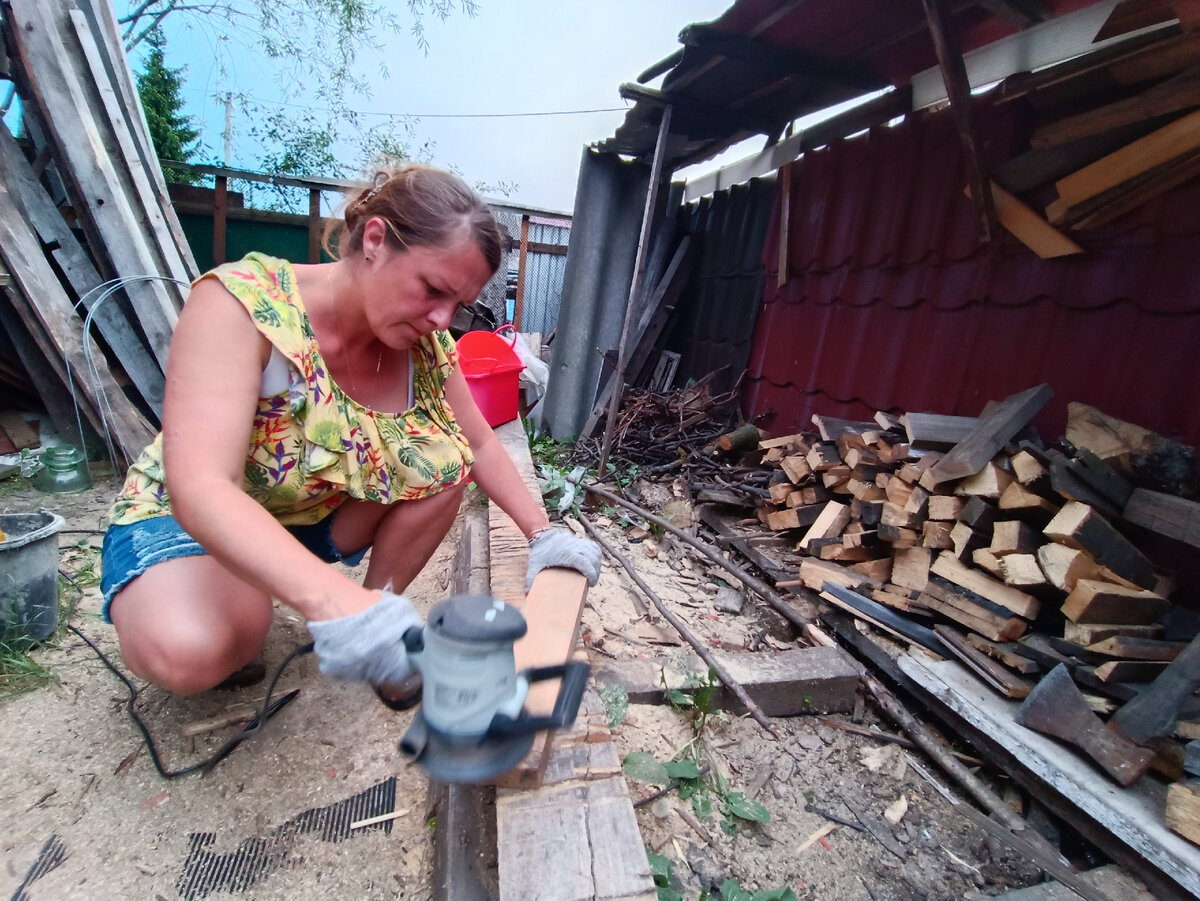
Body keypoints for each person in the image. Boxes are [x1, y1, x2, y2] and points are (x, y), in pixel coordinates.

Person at [99, 164, 601, 697]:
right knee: (195, 651)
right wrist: (330, 601)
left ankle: (375, 623)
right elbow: (200, 486)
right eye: (432, 288)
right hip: (189, 521)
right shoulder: (247, 304)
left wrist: (542, 534)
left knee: (446, 463)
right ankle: (294, 610)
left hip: (307, 516)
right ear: (376, 240)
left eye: (457, 304)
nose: (440, 318)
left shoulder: (426, 348)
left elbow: (478, 442)